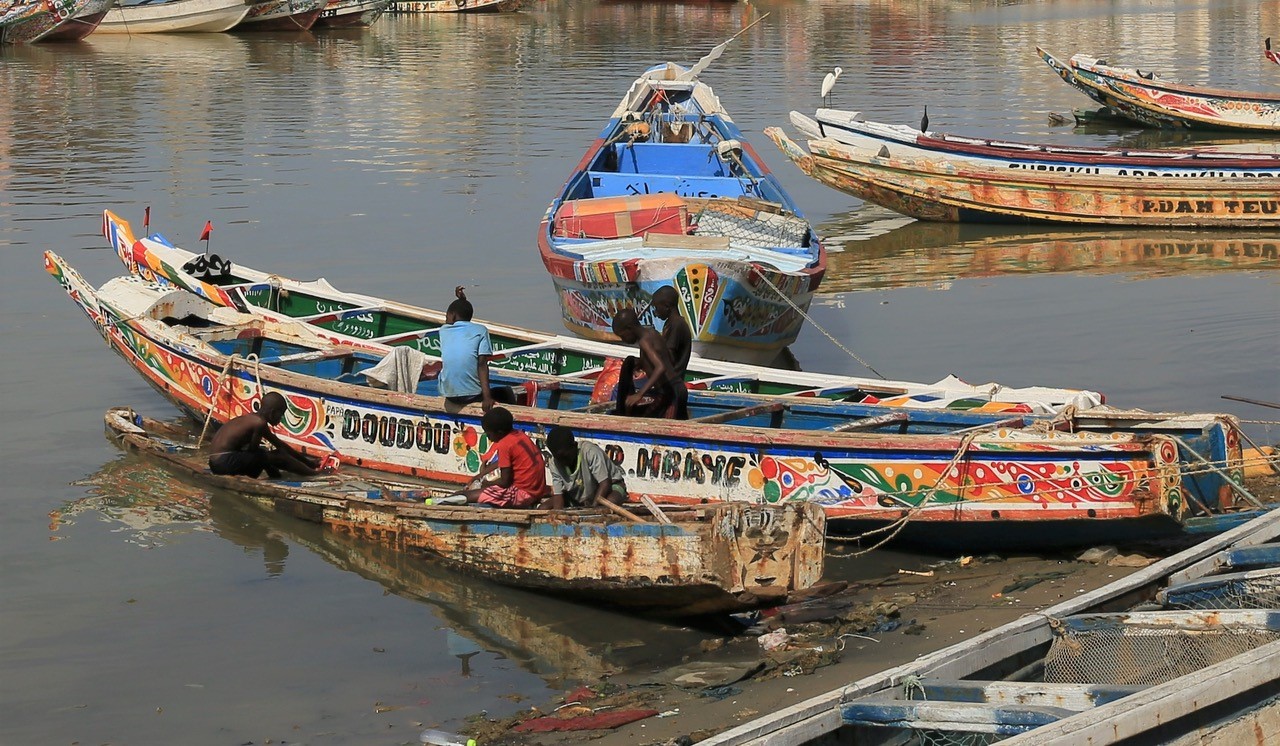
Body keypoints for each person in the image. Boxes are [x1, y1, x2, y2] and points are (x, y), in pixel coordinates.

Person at [439, 407, 547, 508]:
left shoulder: (505, 444)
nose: (489, 438)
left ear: (499, 433)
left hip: (524, 494)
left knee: (466, 495)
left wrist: (486, 484)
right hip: (536, 489)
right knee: (471, 492)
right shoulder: (519, 435)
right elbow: (504, 462)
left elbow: (505, 482)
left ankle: (438, 503)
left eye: (489, 434)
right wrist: (480, 475)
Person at [432, 287, 516, 414]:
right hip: (471, 396)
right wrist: (487, 398)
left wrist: (462, 300)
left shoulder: (444, 331)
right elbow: (482, 364)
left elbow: (456, 316)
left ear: (453, 316)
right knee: (506, 392)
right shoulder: (481, 330)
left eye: (446, 316)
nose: (446, 319)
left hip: (448, 394)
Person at [207, 392, 324, 479]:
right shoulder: (259, 423)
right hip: (224, 462)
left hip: (215, 463)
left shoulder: (252, 419)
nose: (281, 419)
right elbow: (255, 451)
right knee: (273, 456)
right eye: (281, 415)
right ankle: (314, 475)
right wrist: (309, 465)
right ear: (273, 413)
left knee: (268, 455)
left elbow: (281, 446)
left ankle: (277, 478)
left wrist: (309, 462)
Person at [610, 308, 689, 420]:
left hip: (672, 392)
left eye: (623, 336)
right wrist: (640, 364)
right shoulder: (652, 333)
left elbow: (660, 367)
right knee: (649, 418)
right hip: (671, 391)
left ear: (629, 329)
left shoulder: (644, 341)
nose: (624, 339)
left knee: (667, 429)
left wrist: (639, 394)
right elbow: (665, 357)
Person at [541, 426, 627, 510]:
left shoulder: (590, 452)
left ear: (574, 446)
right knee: (543, 508)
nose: (563, 462)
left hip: (610, 488)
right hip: (578, 496)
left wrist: (593, 508)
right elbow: (558, 495)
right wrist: (557, 514)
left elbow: (605, 483)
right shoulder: (554, 463)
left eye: (565, 457)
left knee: (609, 504)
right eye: (559, 458)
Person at [650, 286, 691, 380]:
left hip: (672, 381)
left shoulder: (677, 325)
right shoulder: (670, 323)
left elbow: (669, 357)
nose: (656, 312)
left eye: (657, 307)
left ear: (667, 306)